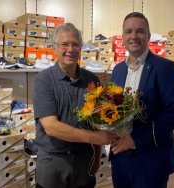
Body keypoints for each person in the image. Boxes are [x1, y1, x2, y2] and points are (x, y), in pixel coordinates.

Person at [33, 23, 118, 188]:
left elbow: (97, 121)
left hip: (83, 161)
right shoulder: (44, 80)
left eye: (75, 44)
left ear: (81, 48)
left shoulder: (91, 80)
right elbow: (51, 127)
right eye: (64, 44)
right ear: (54, 48)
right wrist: (95, 139)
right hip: (53, 162)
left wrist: (97, 154)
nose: (70, 49)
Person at [110, 12, 174, 188]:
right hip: (120, 157)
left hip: (151, 158)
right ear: (123, 37)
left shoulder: (165, 67)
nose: (134, 36)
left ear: (149, 36)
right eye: (129, 31)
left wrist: (135, 139)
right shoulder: (117, 70)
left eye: (140, 31)